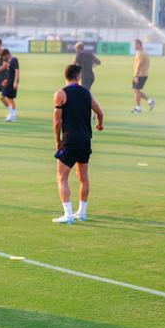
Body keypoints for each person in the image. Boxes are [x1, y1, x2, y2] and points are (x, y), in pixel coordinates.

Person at [52, 64, 104, 224]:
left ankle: (67, 214)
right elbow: (99, 112)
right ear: (78, 76)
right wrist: (100, 124)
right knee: (83, 177)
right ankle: (81, 213)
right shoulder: (86, 93)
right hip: (85, 140)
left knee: (61, 177)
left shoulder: (61, 94)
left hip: (70, 140)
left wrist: (58, 141)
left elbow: (56, 121)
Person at [131, 39, 154, 113]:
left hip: (140, 74)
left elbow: (139, 65)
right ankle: (149, 100)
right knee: (136, 91)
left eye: (135, 44)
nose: (133, 46)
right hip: (143, 74)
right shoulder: (143, 52)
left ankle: (138, 108)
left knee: (136, 91)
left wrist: (135, 76)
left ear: (138, 44)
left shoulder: (140, 53)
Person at [0, 49, 19, 122]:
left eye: (3, 57)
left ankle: (12, 114)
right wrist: (6, 80)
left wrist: (15, 82)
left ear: (7, 54)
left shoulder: (14, 60)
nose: (3, 59)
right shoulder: (9, 61)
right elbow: (9, 72)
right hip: (8, 82)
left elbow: (17, 72)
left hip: (11, 83)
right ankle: (12, 116)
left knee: (2, 97)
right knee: (10, 100)